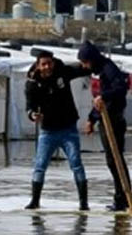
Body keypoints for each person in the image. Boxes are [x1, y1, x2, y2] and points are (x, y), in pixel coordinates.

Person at [24, 50, 92, 210]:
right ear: (38, 65)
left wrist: (92, 65)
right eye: (44, 64)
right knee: (40, 166)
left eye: (49, 63)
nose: (47, 67)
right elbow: (30, 106)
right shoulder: (32, 83)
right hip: (48, 131)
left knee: (76, 164)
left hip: (68, 129)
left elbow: (81, 69)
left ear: (53, 63)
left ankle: (83, 203)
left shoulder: (62, 71)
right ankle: (35, 201)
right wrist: (33, 115)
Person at [78, 41, 132, 212]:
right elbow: (101, 103)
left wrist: (104, 95)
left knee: (116, 160)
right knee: (112, 161)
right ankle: (121, 198)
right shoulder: (101, 71)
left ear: (92, 59)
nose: (84, 66)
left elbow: (120, 89)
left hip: (114, 121)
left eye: (85, 62)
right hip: (105, 118)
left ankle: (123, 198)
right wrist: (92, 119)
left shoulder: (109, 69)